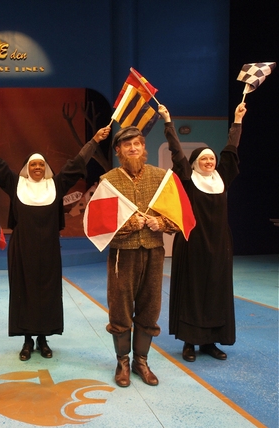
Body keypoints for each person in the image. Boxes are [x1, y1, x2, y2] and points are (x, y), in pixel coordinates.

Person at [0, 123, 111, 361]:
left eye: (41, 164)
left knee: (47, 294)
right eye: (33, 165)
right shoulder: (15, 184)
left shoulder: (57, 185)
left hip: (49, 250)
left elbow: (77, 163)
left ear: (46, 168)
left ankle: (43, 339)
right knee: (24, 292)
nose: (38, 168)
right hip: (22, 250)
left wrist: (94, 140)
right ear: (27, 169)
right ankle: (27, 340)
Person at [159, 102, 246, 362]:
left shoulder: (222, 178)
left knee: (216, 292)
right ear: (195, 163)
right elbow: (175, 151)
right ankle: (189, 342)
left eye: (211, 158)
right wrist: (167, 121)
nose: (209, 161)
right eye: (204, 158)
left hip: (219, 245)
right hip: (192, 243)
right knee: (192, 291)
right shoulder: (188, 178)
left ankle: (210, 342)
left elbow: (231, 151)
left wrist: (238, 121)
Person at [100, 126, 179, 388]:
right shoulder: (108, 180)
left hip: (154, 252)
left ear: (144, 148)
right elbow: (101, 225)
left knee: (150, 307)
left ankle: (141, 361)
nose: (133, 148)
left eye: (137, 144)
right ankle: (122, 361)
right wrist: (130, 224)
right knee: (120, 308)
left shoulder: (161, 178)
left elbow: (176, 219)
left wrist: (160, 222)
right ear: (118, 151)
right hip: (123, 254)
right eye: (127, 145)